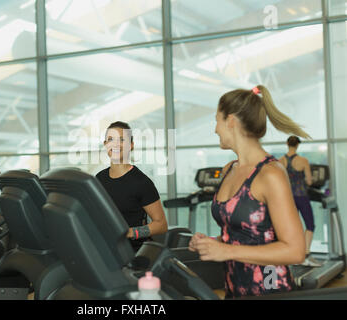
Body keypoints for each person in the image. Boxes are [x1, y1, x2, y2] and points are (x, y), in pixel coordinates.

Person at [188, 85, 307, 299]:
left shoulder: (270, 175)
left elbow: (295, 251)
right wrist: (212, 244)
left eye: (217, 120)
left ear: (231, 121)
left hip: (269, 287)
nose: (215, 129)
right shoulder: (229, 170)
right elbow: (244, 235)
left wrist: (227, 251)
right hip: (234, 288)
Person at [96, 121, 168, 252]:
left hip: (133, 251)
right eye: (111, 139)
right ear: (105, 145)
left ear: (131, 145)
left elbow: (161, 225)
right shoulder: (99, 178)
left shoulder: (141, 182)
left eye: (122, 139)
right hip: (106, 249)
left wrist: (129, 233)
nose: (116, 144)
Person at [279, 136, 321, 267]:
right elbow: (309, 181)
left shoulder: (280, 161)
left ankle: (295, 254)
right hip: (301, 195)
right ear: (297, 145)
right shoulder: (303, 161)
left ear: (287, 144)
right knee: (310, 224)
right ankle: (306, 254)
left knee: (294, 226)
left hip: (288, 198)